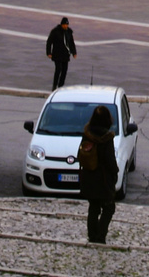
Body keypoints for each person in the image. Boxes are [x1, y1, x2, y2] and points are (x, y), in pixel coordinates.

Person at [78, 105, 119, 243]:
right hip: (103, 178)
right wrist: (115, 173)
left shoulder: (87, 134)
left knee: (94, 207)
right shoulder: (106, 138)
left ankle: (92, 234)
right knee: (109, 207)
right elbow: (110, 160)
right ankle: (100, 235)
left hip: (88, 175)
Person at [46, 17, 77, 90]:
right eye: (65, 25)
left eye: (67, 25)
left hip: (65, 55)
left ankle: (60, 86)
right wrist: (49, 52)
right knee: (58, 69)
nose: (66, 26)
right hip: (57, 54)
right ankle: (54, 85)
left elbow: (71, 43)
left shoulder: (69, 32)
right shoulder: (55, 31)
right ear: (62, 24)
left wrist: (74, 52)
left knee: (64, 71)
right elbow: (49, 42)